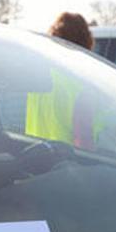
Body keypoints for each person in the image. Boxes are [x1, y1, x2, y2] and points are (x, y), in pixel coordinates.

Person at [25, 12, 94, 147]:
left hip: (35, 158)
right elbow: (82, 141)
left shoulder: (38, 76)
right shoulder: (82, 85)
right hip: (67, 163)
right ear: (86, 41)